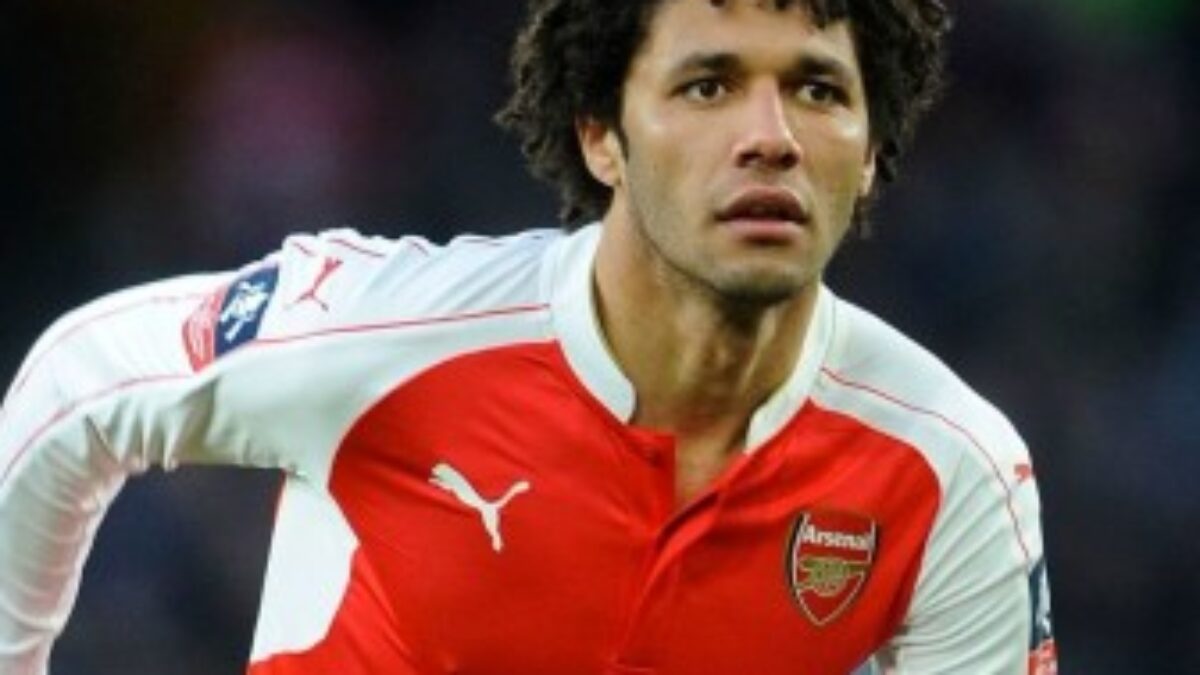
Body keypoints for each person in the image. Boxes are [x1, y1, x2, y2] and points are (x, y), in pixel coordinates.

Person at [0, 0, 1057, 673]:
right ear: (601, 137)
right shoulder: (395, 333)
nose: (770, 137)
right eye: (708, 85)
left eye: (818, 90)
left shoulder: (950, 470)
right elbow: (79, 382)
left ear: (870, 153)